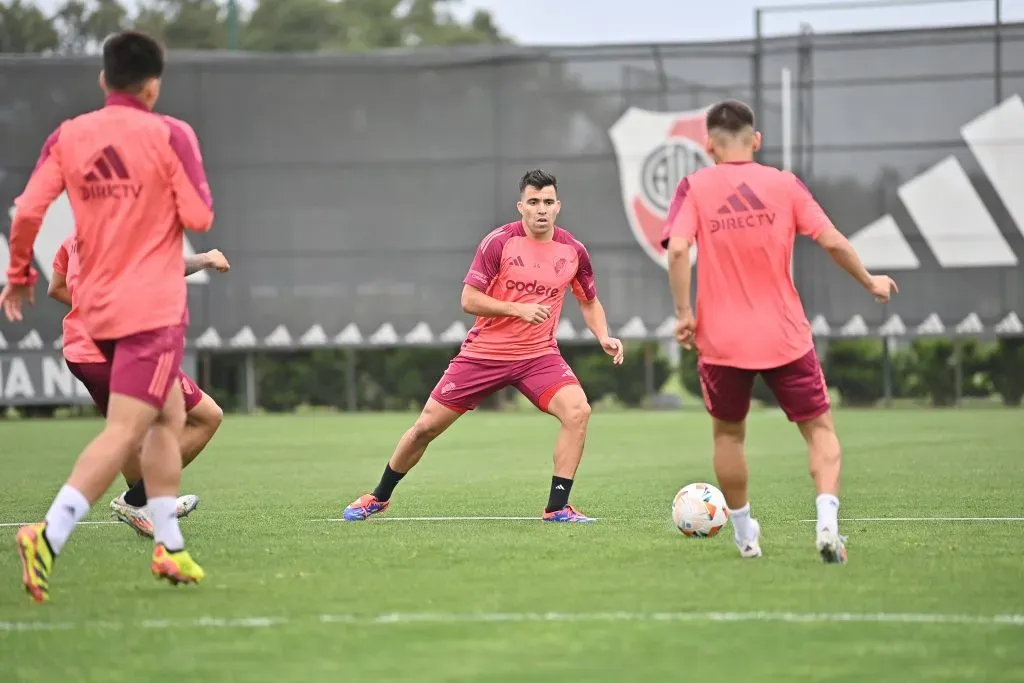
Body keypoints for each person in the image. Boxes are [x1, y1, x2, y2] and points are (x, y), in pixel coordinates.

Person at [0, 30, 214, 603]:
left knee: (168, 417)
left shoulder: (69, 135)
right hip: (152, 308)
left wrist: (19, 273)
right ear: (153, 84)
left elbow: (28, 212)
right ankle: (48, 534)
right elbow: (199, 212)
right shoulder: (172, 133)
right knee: (127, 431)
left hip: (98, 312)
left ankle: (168, 546)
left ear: (103, 79)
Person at [661, 99, 897, 564]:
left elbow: (677, 250)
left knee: (729, 437)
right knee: (820, 431)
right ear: (757, 140)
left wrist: (684, 313)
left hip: (722, 340)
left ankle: (746, 535)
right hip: (785, 335)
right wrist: (870, 281)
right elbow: (831, 240)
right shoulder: (784, 184)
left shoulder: (695, 186)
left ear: (708, 145)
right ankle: (827, 525)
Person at [343, 169, 624, 523]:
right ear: (520, 206)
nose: (541, 209)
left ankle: (557, 508)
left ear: (558, 207)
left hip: (538, 356)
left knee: (578, 412)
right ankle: (378, 497)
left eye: (548, 202)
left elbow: (588, 300)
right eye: (533, 202)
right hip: (483, 355)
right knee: (426, 427)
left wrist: (603, 335)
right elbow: (468, 299)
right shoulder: (499, 242)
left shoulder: (573, 251)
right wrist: (516, 309)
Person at [49, 236, 230, 537]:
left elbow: (56, 288)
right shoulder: (124, 231)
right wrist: (208, 258)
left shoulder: (72, 240)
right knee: (207, 416)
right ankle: (137, 499)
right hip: (121, 351)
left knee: (130, 434)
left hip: (81, 353)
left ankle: (148, 505)